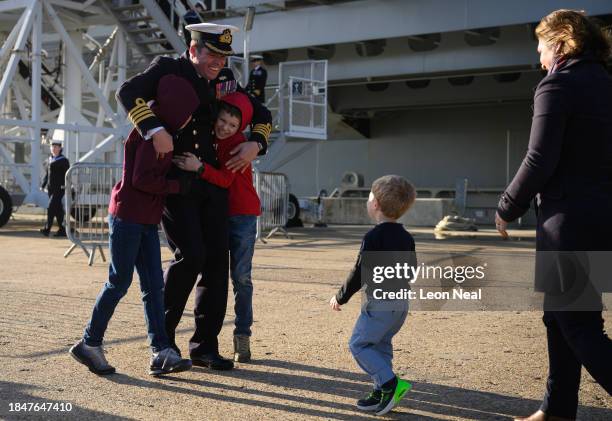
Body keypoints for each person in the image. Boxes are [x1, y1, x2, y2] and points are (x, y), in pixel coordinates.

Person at [116, 22, 272, 371]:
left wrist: (255, 144)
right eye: (212, 55)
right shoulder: (168, 69)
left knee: (217, 262)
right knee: (191, 256)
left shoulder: (226, 78)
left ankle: (204, 346)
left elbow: (260, 113)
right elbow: (127, 92)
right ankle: (164, 343)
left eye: (222, 57)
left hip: (213, 184)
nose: (218, 63)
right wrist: (153, 129)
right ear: (193, 49)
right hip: (179, 182)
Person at [495, 10, 612, 421]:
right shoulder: (605, 85)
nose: (540, 57)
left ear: (561, 41)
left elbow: (540, 158)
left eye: (541, 47)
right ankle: (558, 407)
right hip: (601, 219)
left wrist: (507, 206)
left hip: (569, 222)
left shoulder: (558, 85)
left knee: (577, 325)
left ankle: (558, 408)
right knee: (560, 318)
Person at [69, 75, 196, 376]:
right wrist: (178, 186)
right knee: (119, 282)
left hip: (144, 219)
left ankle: (161, 351)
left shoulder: (159, 131)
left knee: (154, 286)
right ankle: (89, 343)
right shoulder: (152, 135)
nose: (189, 117)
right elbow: (140, 179)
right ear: (175, 110)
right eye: (186, 112)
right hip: (129, 217)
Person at [174, 91, 260, 363]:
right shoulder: (210, 137)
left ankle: (242, 336)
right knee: (220, 275)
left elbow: (224, 180)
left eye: (232, 125)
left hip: (243, 216)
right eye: (222, 120)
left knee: (241, 278)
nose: (225, 127)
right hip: (220, 214)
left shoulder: (238, 146)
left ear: (240, 128)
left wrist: (198, 167)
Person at [329, 175, 417, 416]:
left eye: (369, 196)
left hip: (379, 304)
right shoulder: (406, 236)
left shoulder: (373, 237)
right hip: (400, 304)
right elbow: (411, 270)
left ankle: (389, 383)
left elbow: (359, 272)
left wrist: (340, 297)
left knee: (359, 344)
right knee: (380, 345)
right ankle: (381, 392)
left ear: (375, 204)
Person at [40, 140, 70, 237]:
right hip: (50, 189)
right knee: (58, 210)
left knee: (50, 207)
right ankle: (63, 230)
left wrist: (67, 186)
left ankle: (47, 229)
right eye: (52, 146)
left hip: (59, 189)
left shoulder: (64, 160)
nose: (54, 148)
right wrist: (43, 185)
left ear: (60, 148)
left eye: (56, 147)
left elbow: (67, 175)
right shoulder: (50, 159)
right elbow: (47, 175)